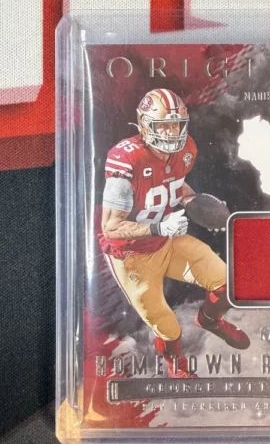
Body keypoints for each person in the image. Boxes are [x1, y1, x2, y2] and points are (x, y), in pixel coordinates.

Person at [99, 88, 250, 378]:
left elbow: (173, 182)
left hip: (167, 241)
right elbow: (112, 228)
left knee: (226, 281)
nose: (171, 133)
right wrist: (159, 226)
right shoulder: (126, 161)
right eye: (163, 126)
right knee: (167, 326)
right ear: (144, 125)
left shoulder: (185, 149)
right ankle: (176, 363)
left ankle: (210, 320)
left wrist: (192, 201)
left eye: (176, 125)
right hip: (131, 257)